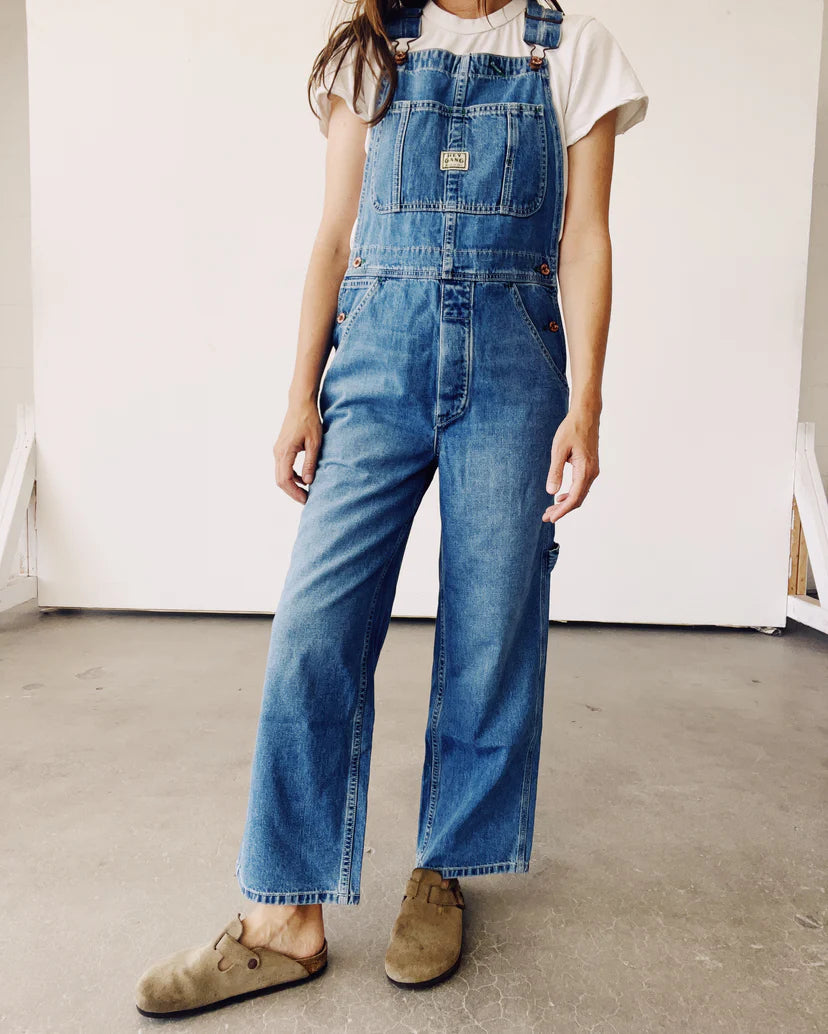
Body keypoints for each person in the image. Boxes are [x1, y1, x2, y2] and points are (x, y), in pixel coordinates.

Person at [135, 0, 648, 1018]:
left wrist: (587, 401)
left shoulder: (575, 51)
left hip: (515, 362)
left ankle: (443, 868)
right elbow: (334, 236)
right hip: (373, 357)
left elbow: (586, 239)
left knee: (489, 625)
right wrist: (299, 395)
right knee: (315, 627)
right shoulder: (370, 47)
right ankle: (284, 914)